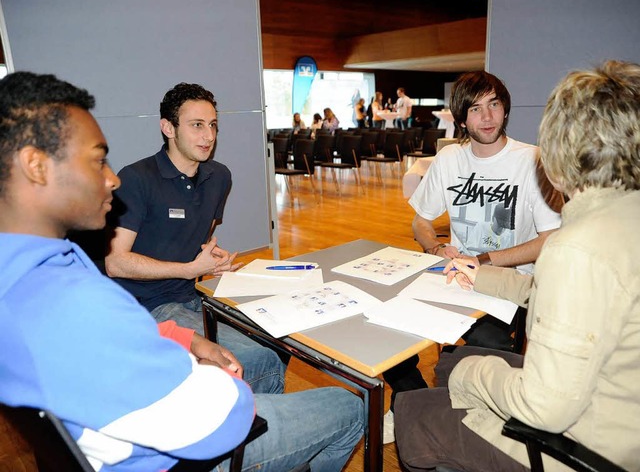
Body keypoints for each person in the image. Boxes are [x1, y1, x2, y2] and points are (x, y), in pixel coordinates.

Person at [0, 71, 364, 472]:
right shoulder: (81, 301)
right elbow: (213, 423)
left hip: (157, 392)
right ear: (35, 166)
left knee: (267, 351)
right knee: (348, 406)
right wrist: (219, 384)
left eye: (213, 126)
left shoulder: (40, 275)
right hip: (179, 454)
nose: (111, 178)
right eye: (97, 161)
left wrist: (184, 337)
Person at [395, 60, 640, 472]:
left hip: (589, 448)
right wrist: (476, 270)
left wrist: (473, 376)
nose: (486, 116)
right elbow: (549, 291)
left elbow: (546, 409)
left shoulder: (574, 247)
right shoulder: (622, 216)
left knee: (418, 410)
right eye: (475, 108)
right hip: (613, 405)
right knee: (449, 361)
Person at [381, 71, 564, 445]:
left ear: (505, 110)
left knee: (478, 356)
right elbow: (421, 221)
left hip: (510, 286)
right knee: (385, 326)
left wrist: (485, 261)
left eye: (494, 104)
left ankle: (443, 413)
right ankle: (409, 399)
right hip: (452, 275)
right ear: (461, 119)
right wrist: (434, 247)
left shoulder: (533, 160)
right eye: (476, 109)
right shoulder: (450, 159)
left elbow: (550, 239)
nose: (487, 117)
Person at [105, 83, 285, 395]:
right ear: (168, 128)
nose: (209, 136)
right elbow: (115, 262)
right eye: (197, 125)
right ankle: (248, 430)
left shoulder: (219, 177)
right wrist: (188, 268)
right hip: (146, 306)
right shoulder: (136, 179)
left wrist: (209, 258)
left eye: (213, 125)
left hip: (192, 294)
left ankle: (250, 417)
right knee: (260, 360)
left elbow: (199, 235)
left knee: (280, 338)